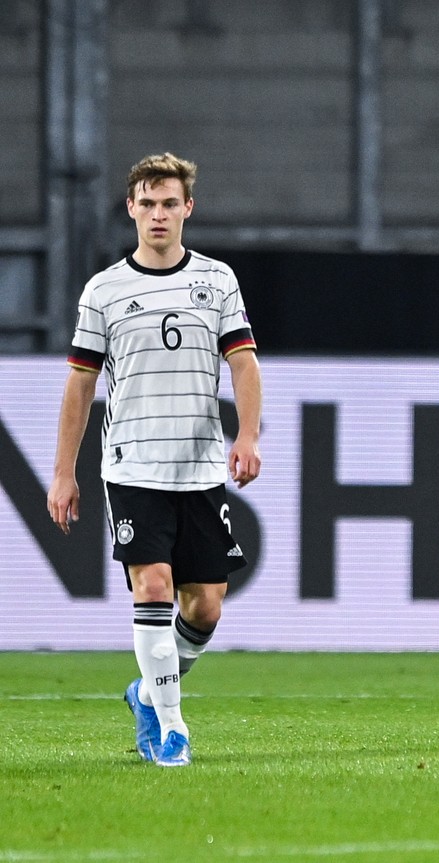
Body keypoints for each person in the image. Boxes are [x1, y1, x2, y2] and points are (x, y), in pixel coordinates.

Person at [47, 153, 262, 767]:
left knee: (206, 605)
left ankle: (147, 691)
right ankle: (171, 728)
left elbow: (243, 363)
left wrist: (246, 436)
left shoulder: (217, 281)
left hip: (199, 467)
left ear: (188, 208)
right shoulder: (105, 290)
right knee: (155, 586)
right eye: (148, 203)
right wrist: (64, 471)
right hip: (133, 466)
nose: (159, 214)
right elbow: (80, 385)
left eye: (170, 203)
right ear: (131, 208)